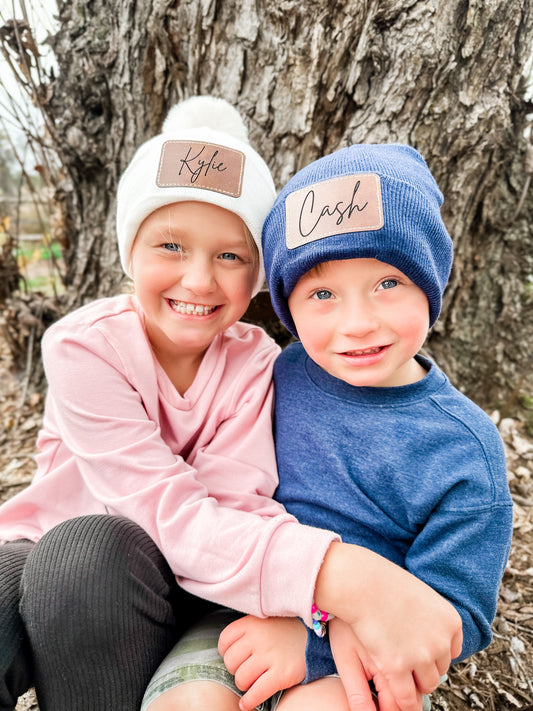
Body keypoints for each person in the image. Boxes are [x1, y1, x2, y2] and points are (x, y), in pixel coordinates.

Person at [0, 98, 460, 711]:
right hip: (72, 567)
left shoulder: (257, 364)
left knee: (85, 559)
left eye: (230, 255)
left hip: (209, 583)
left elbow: (237, 504)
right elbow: (163, 509)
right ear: (127, 251)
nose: (198, 280)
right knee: (70, 559)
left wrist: (321, 610)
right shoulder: (84, 348)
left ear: (259, 274)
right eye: (169, 245)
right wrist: (342, 578)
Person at [145, 144, 513, 711]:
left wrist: (312, 646)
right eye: (322, 294)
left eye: (388, 284)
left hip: (359, 658)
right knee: (188, 703)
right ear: (288, 305)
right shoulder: (272, 377)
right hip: (237, 614)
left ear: (430, 283)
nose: (358, 322)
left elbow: (454, 615)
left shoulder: (463, 449)